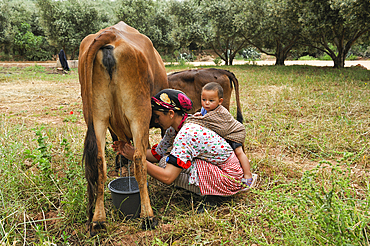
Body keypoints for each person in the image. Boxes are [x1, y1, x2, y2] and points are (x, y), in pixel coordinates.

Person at [112, 89, 253, 197]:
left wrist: (137, 158)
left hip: (229, 177)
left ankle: (212, 196)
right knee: (164, 160)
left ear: (171, 114)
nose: (155, 121)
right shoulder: (174, 129)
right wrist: (130, 150)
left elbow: (167, 177)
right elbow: (156, 155)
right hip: (222, 169)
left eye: (157, 116)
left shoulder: (186, 133)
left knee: (165, 165)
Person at [191, 82, 255, 187]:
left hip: (235, 132)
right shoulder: (206, 109)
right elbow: (203, 118)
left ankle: (248, 175)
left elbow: (204, 121)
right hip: (225, 134)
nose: (207, 103)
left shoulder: (220, 112)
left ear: (220, 101)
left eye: (211, 100)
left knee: (238, 151)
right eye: (203, 100)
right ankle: (236, 169)